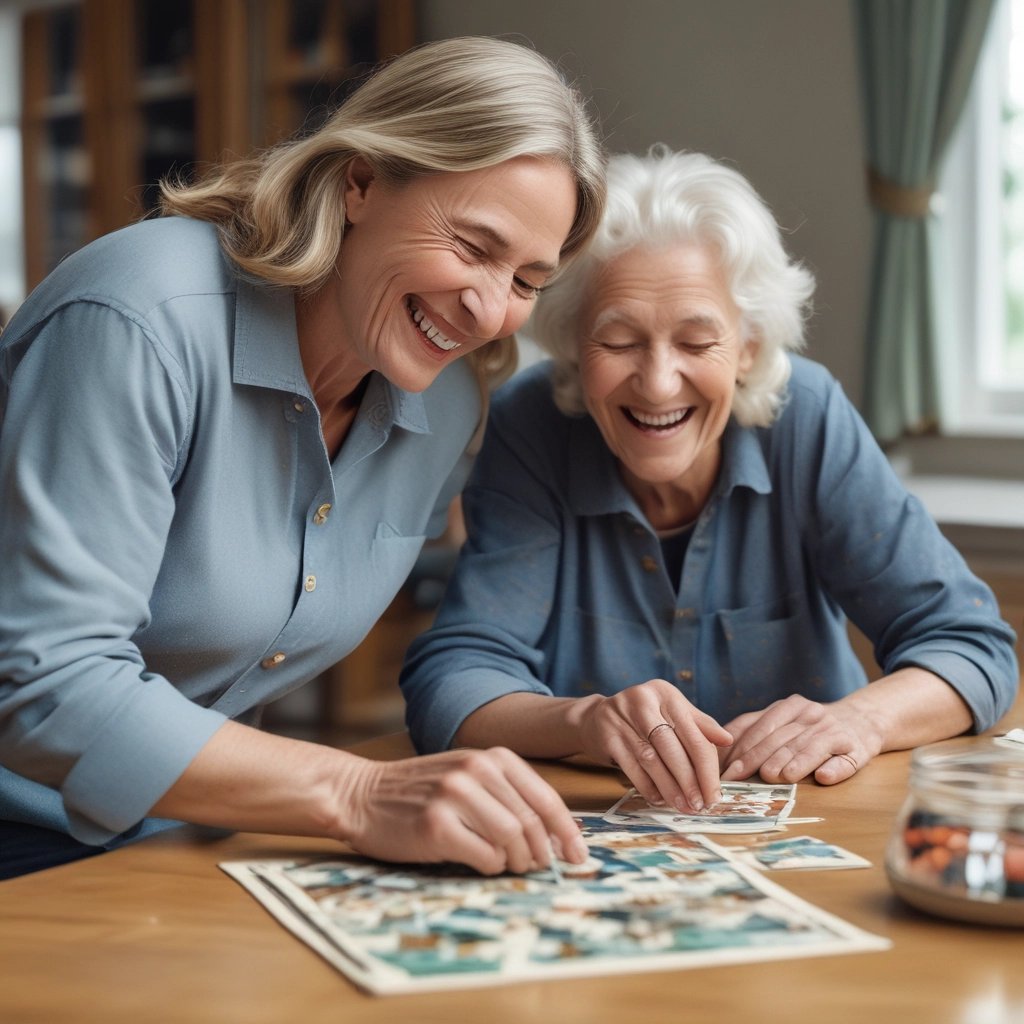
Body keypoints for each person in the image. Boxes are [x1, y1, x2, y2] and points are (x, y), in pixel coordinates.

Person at [0, 36, 606, 880]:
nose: (488, 308)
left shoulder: (447, 398)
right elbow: (44, 685)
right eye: (473, 246)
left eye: (528, 281)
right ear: (358, 182)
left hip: (165, 837)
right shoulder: (141, 317)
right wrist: (358, 794)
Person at [400, 147, 1019, 817]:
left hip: (821, 819)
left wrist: (861, 719)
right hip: (593, 837)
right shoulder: (533, 424)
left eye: (696, 343)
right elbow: (452, 679)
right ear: (574, 344)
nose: (659, 382)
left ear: (749, 345)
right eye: (619, 341)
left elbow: (971, 646)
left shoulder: (805, 418)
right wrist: (582, 720)